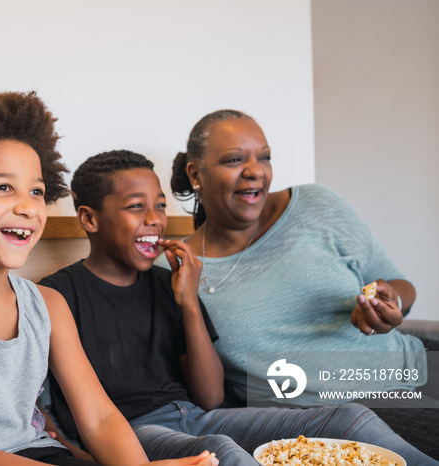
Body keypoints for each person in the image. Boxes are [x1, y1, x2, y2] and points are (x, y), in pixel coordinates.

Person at [0, 80, 217, 466]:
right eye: (4, 187)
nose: (28, 207)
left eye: (36, 191)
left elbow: (101, 419)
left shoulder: (47, 304)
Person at [39, 149, 438, 465]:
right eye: (135, 207)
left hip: (192, 414)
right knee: (222, 453)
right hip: (129, 432)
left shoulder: (169, 283)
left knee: (349, 419)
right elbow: (44, 402)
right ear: (89, 219)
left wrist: (189, 304)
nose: (154, 221)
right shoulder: (57, 294)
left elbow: (210, 397)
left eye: (160, 206)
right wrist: (78, 454)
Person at [160, 109, 439, 458]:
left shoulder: (315, 205)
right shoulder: (177, 271)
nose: (255, 171)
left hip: (418, 374)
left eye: (264, 157)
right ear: (195, 173)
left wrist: (390, 303)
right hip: (335, 423)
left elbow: (401, 285)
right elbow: (200, 392)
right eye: (234, 159)